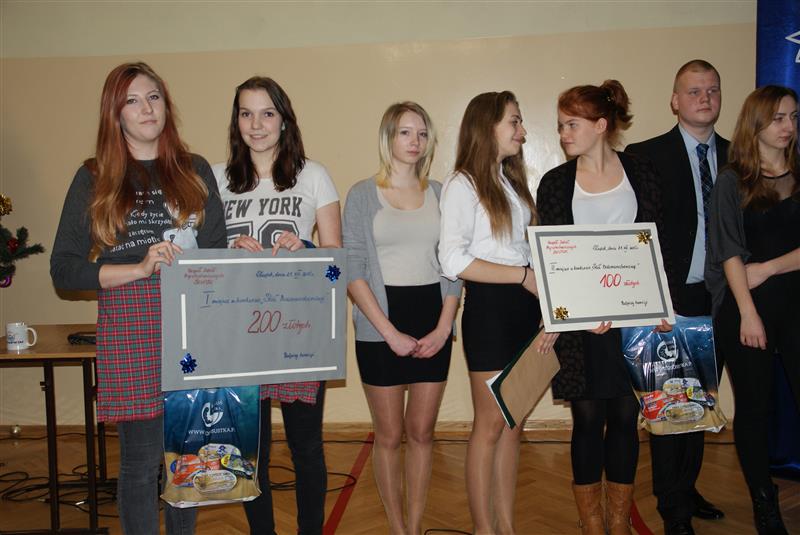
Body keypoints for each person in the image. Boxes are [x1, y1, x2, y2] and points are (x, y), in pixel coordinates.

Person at [50, 62, 227, 534]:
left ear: (167, 105)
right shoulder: (94, 176)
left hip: (190, 322)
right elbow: (63, 269)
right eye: (132, 100)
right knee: (142, 460)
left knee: (186, 456)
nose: (146, 108)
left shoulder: (195, 169)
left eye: (154, 97)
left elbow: (217, 252)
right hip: (131, 321)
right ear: (116, 114)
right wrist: (139, 268)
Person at [537, 80, 673, 535]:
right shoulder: (555, 183)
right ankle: (591, 520)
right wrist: (578, 311)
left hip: (633, 322)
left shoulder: (642, 172)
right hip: (581, 326)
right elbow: (552, 258)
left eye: (571, 124)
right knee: (587, 418)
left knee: (625, 417)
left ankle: (618, 518)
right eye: (560, 126)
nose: (563, 134)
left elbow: (657, 247)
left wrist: (660, 305)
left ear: (600, 125)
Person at [212, 76, 341, 535]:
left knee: (306, 446)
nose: (256, 124)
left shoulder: (313, 175)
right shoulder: (216, 179)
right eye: (246, 113)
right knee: (252, 452)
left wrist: (306, 247)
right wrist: (227, 251)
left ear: (284, 120)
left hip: (297, 331)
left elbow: (336, 258)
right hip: (237, 335)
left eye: (267, 113)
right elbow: (197, 259)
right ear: (236, 121)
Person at [343, 101, 460, 535]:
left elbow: (455, 266)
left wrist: (444, 328)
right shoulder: (361, 194)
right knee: (390, 436)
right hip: (380, 326)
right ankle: (398, 528)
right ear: (387, 137)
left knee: (422, 433)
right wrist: (389, 332)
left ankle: (416, 524)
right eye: (405, 132)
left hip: (433, 321)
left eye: (422, 133)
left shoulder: (442, 194)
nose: (415, 141)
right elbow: (353, 271)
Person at [626, 59, 727, 535]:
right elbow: (637, 232)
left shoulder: (739, 156)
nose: (704, 98)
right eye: (693, 91)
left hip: (721, 297)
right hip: (669, 298)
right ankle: (672, 508)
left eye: (712, 90)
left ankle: (687, 488)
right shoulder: (644, 156)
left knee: (702, 400)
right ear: (674, 100)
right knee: (669, 405)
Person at [439, 91, 543, 535]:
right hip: (491, 311)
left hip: (524, 308)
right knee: (489, 426)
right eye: (514, 122)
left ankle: (507, 526)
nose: (522, 131)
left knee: (513, 425)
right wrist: (521, 276)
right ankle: (484, 528)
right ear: (488, 126)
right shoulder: (462, 185)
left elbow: (528, 252)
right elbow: (452, 260)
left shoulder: (511, 183)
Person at [705, 85, 799, 535]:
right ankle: (765, 504)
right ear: (756, 123)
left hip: (794, 304)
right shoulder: (732, 180)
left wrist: (768, 268)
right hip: (746, 308)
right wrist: (747, 311)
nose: (788, 127)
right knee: (755, 407)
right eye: (778, 118)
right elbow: (728, 252)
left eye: (793, 117)